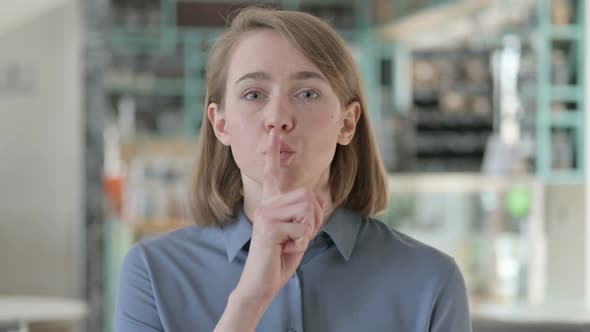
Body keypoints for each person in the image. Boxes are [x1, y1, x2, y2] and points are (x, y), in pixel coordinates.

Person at [115, 7, 472, 332]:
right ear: (220, 124)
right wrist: (249, 299)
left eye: (307, 94)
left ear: (347, 124)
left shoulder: (432, 281)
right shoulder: (152, 273)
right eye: (254, 95)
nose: (278, 119)